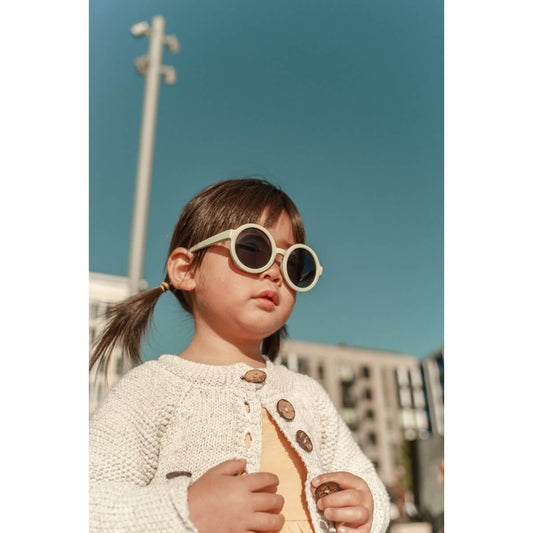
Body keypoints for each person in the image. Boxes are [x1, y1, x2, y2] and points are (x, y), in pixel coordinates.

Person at [89, 177, 390, 533]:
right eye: (253, 248)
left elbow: (366, 481)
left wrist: (367, 508)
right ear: (186, 269)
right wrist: (184, 513)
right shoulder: (150, 389)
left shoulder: (308, 394)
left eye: (294, 263)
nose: (275, 272)